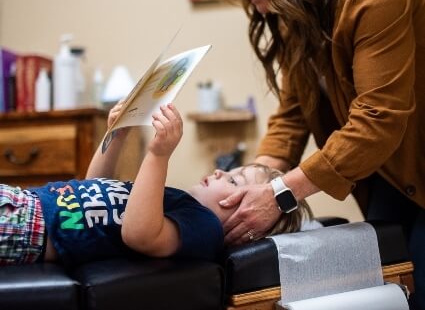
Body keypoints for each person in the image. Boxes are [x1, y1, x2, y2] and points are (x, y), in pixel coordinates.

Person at [208, 0, 425, 309]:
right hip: (390, 174)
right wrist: (250, 183)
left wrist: (279, 194)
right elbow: (291, 119)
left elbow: (378, 119)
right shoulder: (296, 23)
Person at [0, 101, 312, 267]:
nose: (219, 172)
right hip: (23, 201)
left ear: (248, 219)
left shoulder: (204, 228)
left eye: (233, 180)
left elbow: (139, 235)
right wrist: (117, 134)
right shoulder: (174, 204)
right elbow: (94, 185)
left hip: (29, 227)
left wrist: (159, 154)